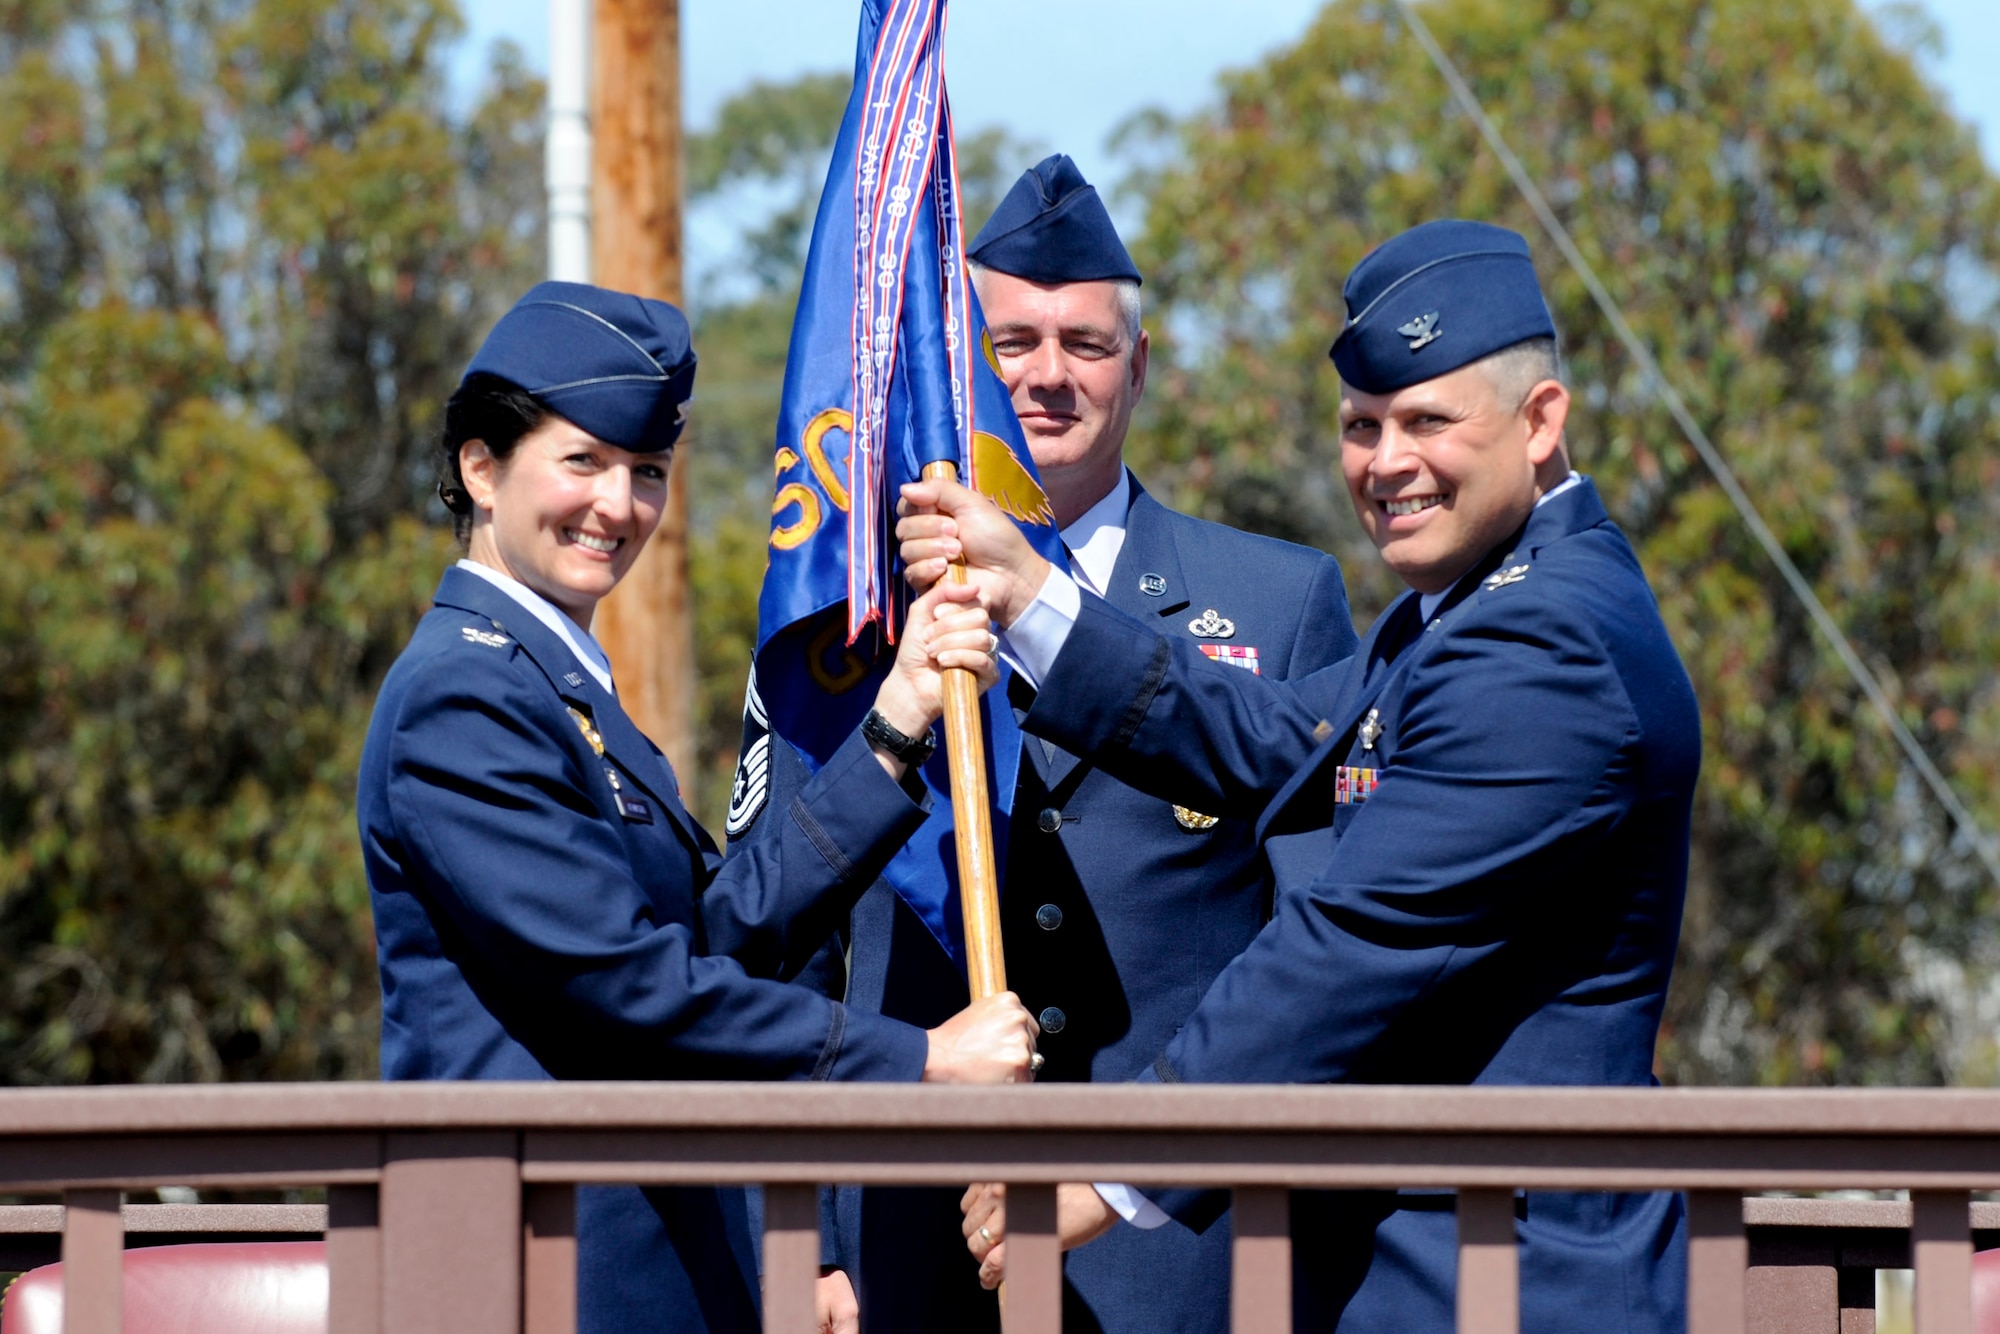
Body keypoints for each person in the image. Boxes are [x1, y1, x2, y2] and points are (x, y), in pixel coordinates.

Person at [902, 220, 1700, 1332]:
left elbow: (1351, 942)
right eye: (1361, 426)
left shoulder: (1542, 641)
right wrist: (1032, 596)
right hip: (1424, 1260)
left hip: (1504, 1273)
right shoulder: (1465, 609)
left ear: (1539, 421)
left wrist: (1107, 1165)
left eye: (1427, 420)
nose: (1386, 462)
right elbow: (1274, 735)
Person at [356, 281, 1040, 1334]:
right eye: (580, 461)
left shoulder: (557, 682)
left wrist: (896, 718)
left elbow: (717, 931)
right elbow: (632, 985)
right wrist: (919, 1061)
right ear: (479, 468)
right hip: (537, 1270)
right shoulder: (463, 694)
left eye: (647, 473)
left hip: (633, 1260)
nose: (617, 505)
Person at [747, 154, 1355, 1334]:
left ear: (1138, 366)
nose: (1044, 375)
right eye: (1007, 341)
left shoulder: (1278, 601)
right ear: (953, 367)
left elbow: (1316, 945)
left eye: (1083, 343)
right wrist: (803, 1236)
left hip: (1177, 1257)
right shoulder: (854, 604)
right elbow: (786, 936)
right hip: (903, 1242)